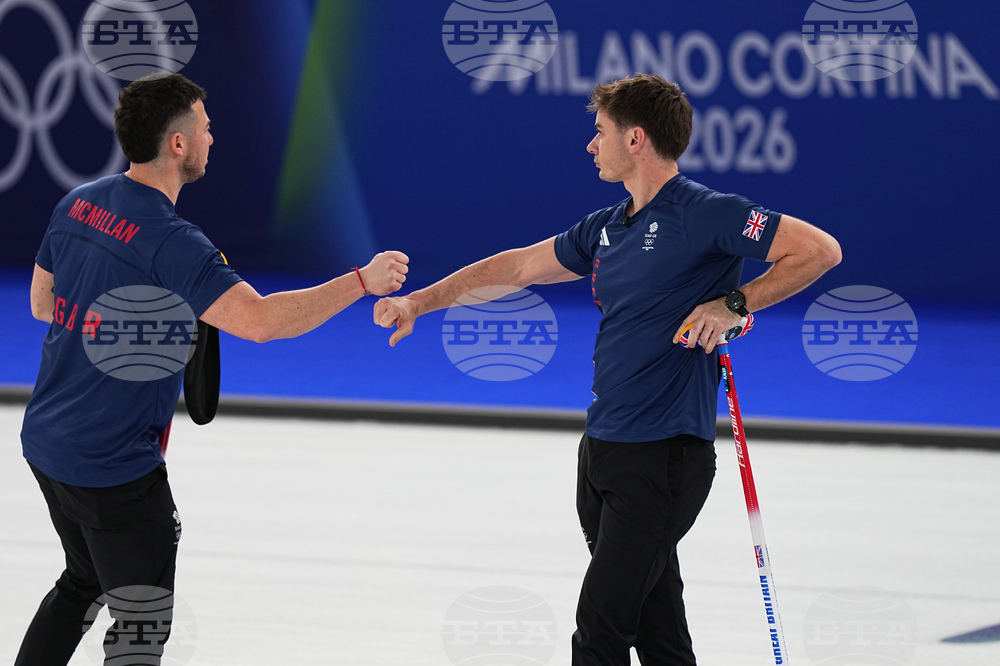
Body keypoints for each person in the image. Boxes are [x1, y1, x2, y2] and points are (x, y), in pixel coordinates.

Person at [375, 73, 841, 665]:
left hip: (663, 458)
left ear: (636, 139)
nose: (591, 145)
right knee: (658, 631)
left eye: (600, 132)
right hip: (603, 451)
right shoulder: (607, 227)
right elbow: (516, 268)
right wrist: (419, 303)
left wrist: (734, 304)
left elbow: (818, 250)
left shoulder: (706, 213)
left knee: (599, 630)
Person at [18, 72, 408, 665]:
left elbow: (44, 304)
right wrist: (361, 281)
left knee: (81, 583)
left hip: (46, 444)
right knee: (141, 630)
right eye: (204, 127)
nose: (211, 137)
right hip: (113, 468)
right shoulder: (173, 241)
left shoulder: (78, 202)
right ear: (176, 144)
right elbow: (261, 322)